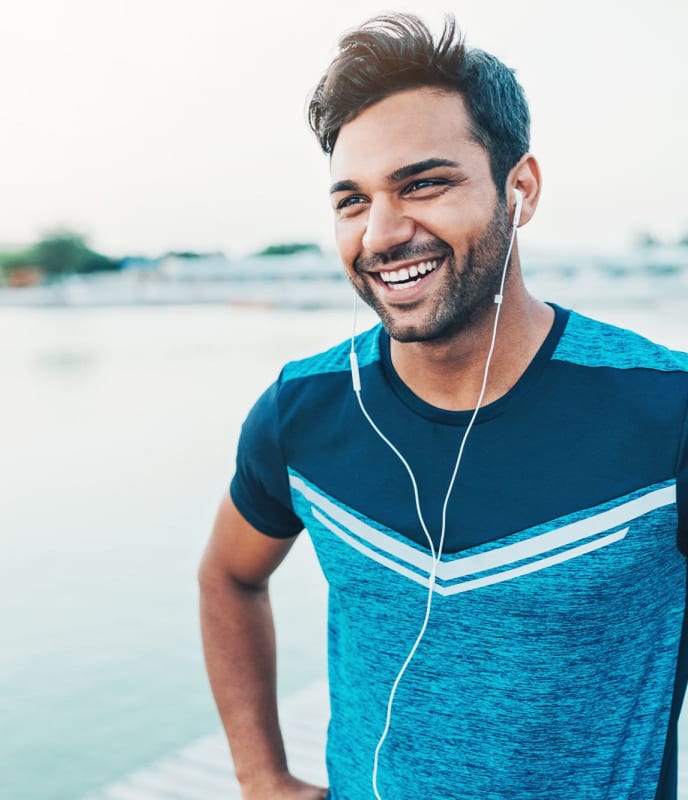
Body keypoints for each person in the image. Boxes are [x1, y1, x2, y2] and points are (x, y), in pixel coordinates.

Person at [198, 12, 688, 800]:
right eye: (352, 201)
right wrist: (261, 777)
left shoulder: (666, 410)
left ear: (519, 188)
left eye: (424, 183)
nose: (383, 234)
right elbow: (227, 575)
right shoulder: (304, 409)